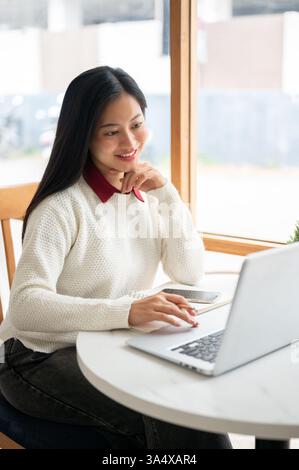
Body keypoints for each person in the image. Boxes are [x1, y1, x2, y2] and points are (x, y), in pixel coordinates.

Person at [0, 66, 231, 449]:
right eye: (111, 132)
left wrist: (169, 195)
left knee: (193, 406)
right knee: (173, 416)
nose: (130, 142)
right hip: (36, 358)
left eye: (137, 124)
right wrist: (126, 311)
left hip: (107, 343)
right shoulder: (61, 208)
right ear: (83, 137)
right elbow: (25, 308)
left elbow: (188, 270)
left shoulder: (144, 195)